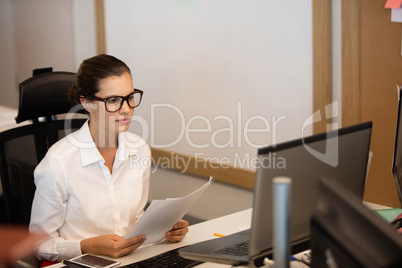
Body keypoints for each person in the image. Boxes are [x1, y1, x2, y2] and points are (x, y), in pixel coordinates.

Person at [29, 54, 189, 262]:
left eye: (130, 97)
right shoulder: (59, 162)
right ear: (87, 103)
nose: (126, 109)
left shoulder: (139, 149)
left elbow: (134, 219)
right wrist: (88, 246)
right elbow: (38, 244)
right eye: (113, 100)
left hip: (127, 260)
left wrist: (164, 229)